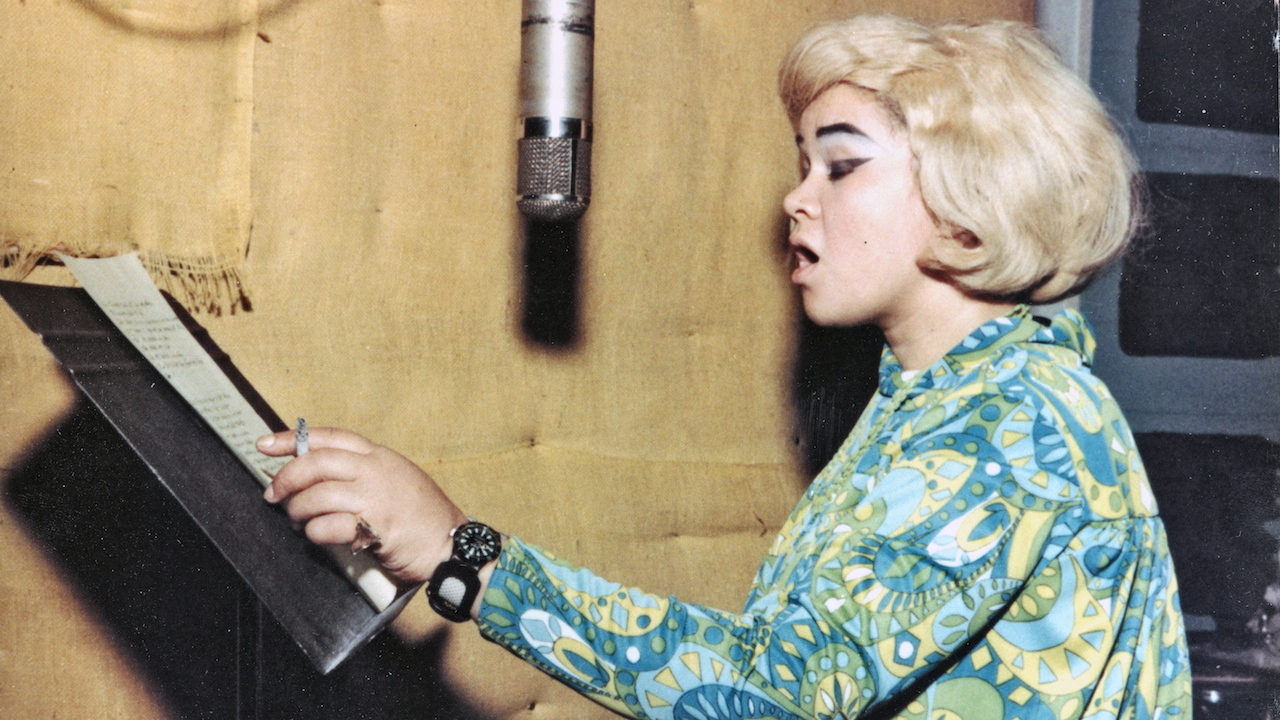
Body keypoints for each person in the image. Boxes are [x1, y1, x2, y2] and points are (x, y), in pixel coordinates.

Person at [258, 14, 1192, 720]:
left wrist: (466, 556)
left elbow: (781, 693)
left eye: (841, 165)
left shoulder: (1017, 418)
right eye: (803, 163)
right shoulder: (937, 398)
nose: (796, 199)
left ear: (966, 208)